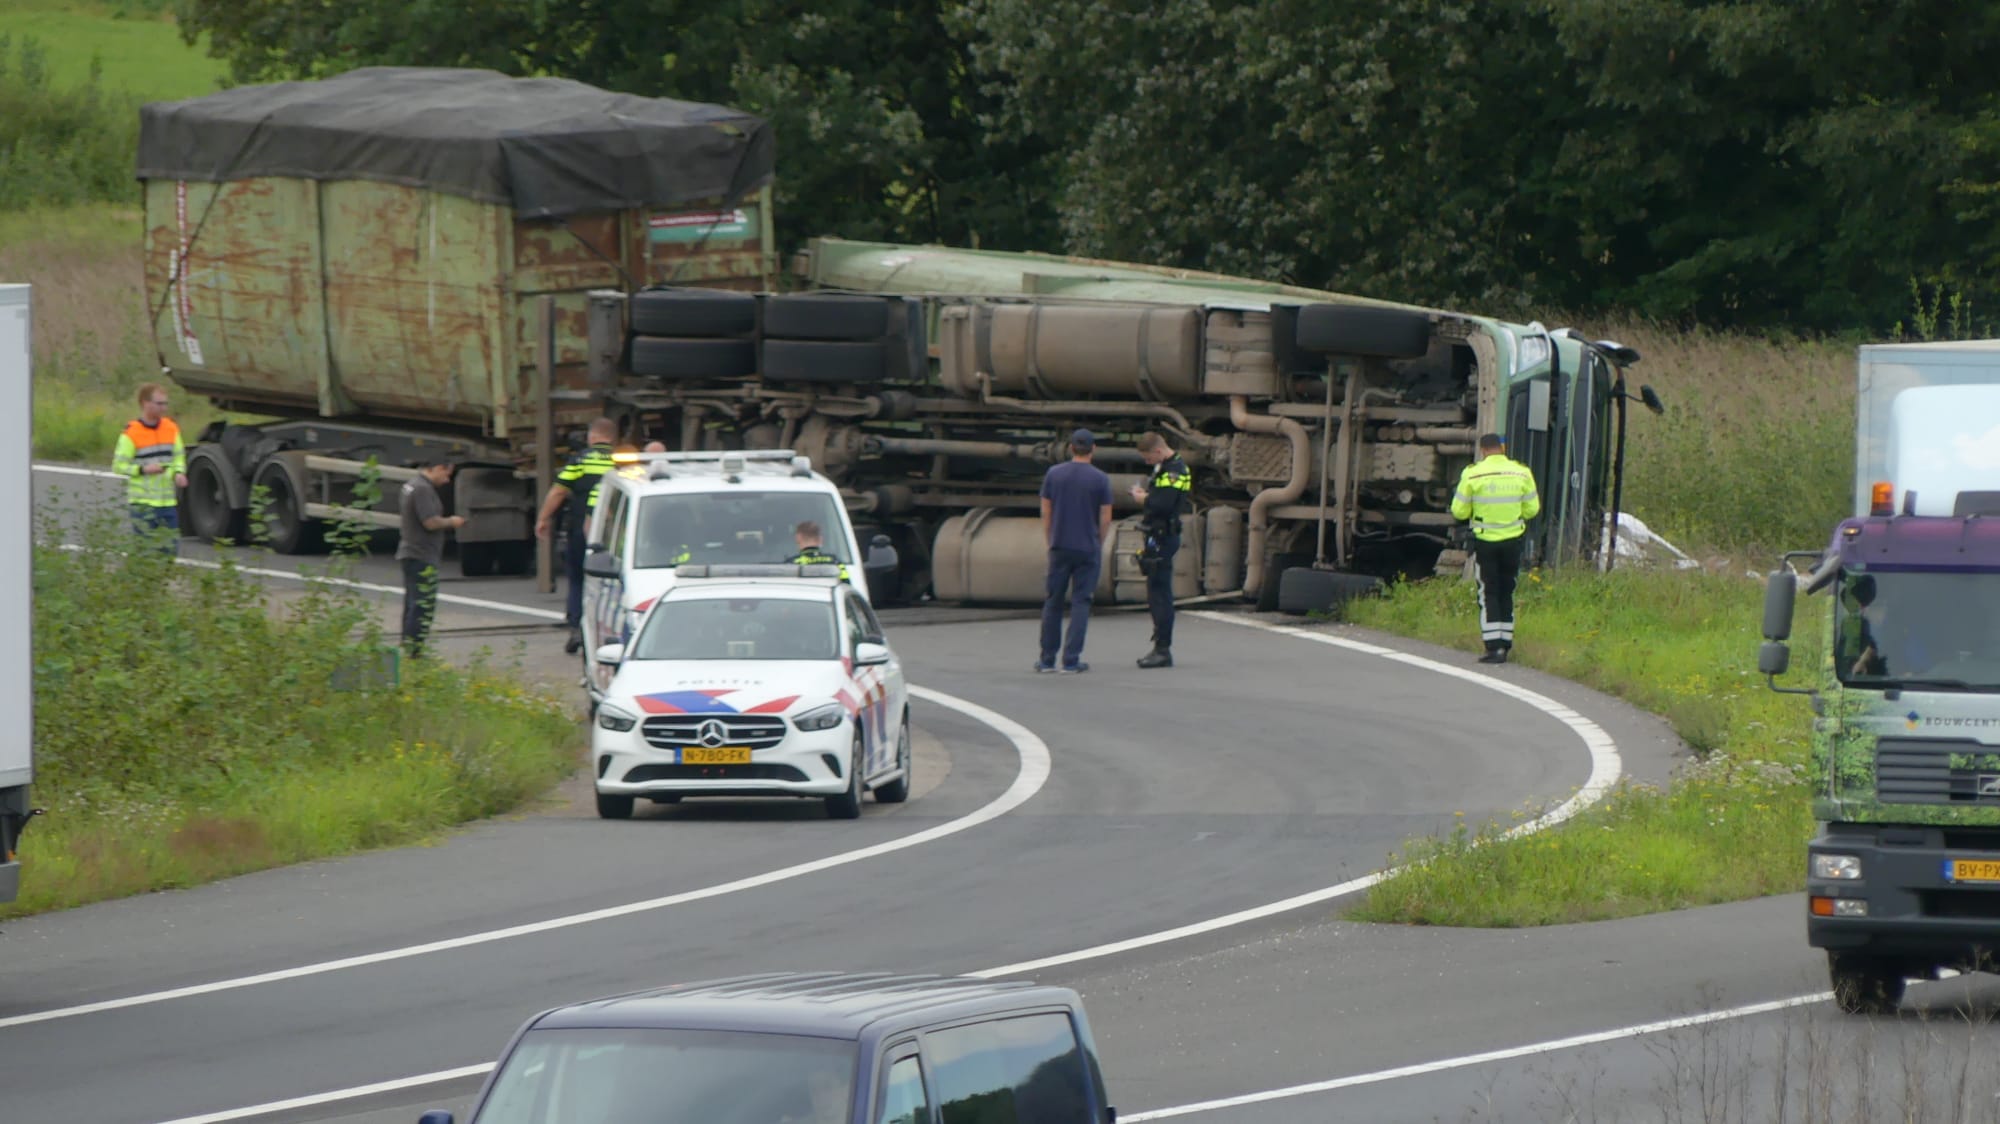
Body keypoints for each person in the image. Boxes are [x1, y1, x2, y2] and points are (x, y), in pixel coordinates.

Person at [1449, 433, 1541, 664]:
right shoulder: (1522, 472)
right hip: (1513, 541)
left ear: (1482, 450)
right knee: (1506, 591)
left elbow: (1458, 511)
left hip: (1486, 542)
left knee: (1488, 592)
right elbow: (1532, 510)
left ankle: (1493, 647)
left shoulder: (1472, 474)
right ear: (1502, 448)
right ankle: (1506, 644)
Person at [534, 417, 618, 653]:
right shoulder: (621, 461)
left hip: (581, 528)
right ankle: (607, 629)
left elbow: (559, 491)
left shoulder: (581, 460)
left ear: (592, 437)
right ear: (613, 438)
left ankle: (576, 628)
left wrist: (543, 518)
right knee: (610, 581)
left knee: (578, 579)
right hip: (613, 531)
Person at [1037, 428, 1113, 673]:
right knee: (1081, 602)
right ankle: (1071, 660)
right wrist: (1098, 541)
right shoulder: (1101, 479)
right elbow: (1105, 516)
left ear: (1070, 448)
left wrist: (1050, 539)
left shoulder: (1053, 474)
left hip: (1059, 546)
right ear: (1093, 450)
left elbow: (1046, 511)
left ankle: (1047, 659)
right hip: (1087, 547)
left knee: (1053, 602)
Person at [1130, 431, 1193, 669]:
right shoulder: (1164, 467)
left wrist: (1142, 498)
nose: (1147, 462)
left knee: (1160, 593)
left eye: (1148, 458)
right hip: (1157, 535)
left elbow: (1162, 504)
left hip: (1163, 536)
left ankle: (1162, 649)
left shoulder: (1173, 470)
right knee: (1155, 591)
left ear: (1158, 451)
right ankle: (1160, 646)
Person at [397, 457, 466, 658]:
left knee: (412, 603)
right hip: (421, 554)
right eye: (446, 474)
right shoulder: (422, 489)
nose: (446, 480)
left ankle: (409, 646)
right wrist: (452, 521)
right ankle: (414, 650)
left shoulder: (411, 485)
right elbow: (430, 522)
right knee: (422, 604)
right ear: (437, 468)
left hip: (411, 552)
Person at [113, 382, 187, 554]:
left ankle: (161, 580)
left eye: (165, 403)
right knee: (146, 553)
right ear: (146, 404)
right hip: (142, 504)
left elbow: (178, 456)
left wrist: (178, 473)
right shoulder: (132, 433)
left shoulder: (171, 428)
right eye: (159, 403)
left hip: (167, 502)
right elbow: (118, 466)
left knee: (170, 551)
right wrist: (143, 469)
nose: (164, 408)